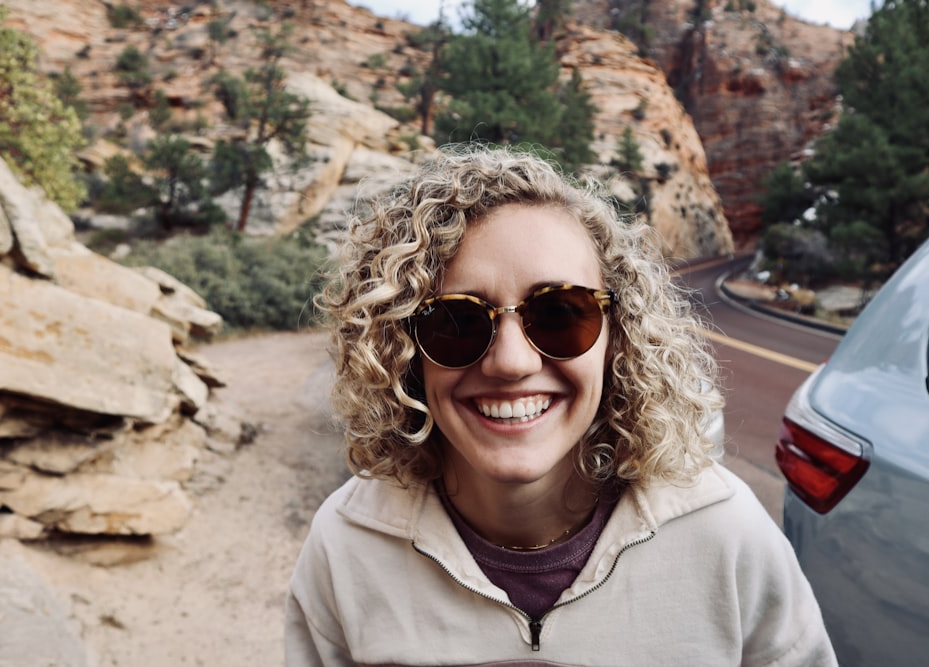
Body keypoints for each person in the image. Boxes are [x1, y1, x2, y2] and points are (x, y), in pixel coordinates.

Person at [285, 145, 836, 666]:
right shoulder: (349, 543)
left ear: (618, 339)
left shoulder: (725, 534)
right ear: (406, 353)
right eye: (456, 321)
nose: (511, 362)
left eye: (560, 313)